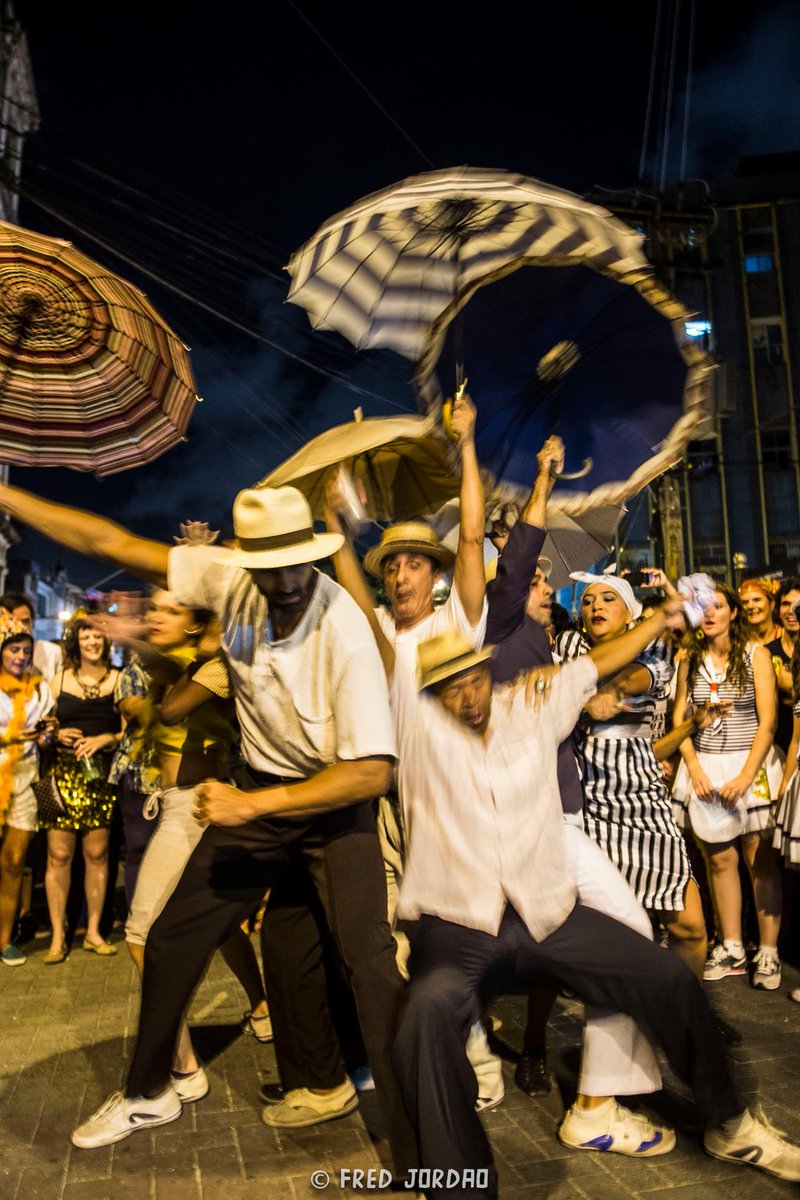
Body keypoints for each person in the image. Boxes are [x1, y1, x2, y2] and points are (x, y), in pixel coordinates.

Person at [0, 477, 413, 1174]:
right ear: (242, 559)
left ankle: (424, 1140)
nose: (280, 580)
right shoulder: (231, 580)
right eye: (264, 565)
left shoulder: (343, 626)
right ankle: (154, 1090)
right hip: (257, 788)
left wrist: (253, 807)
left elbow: (371, 773)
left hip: (333, 804)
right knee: (169, 938)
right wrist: (9, 498)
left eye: (293, 564)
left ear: (311, 555)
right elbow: (106, 540)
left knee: (368, 959)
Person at [390, 622, 800, 1196]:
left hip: (546, 915)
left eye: (475, 681)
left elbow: (599, 662)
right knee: (423, 1015)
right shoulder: (416, 734)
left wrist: (660, 618)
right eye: (451, 689)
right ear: (430, 698)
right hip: (458, 925)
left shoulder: (528, 704)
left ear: (489, 673)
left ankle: (728, 1123)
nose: (468, 698)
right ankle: (459, 1186)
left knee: (665, 977)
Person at [322, 390, 504, 1111]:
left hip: (444, 799)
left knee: (442, 940)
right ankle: (402, 1045)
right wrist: (339, 508)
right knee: (387, 936)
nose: (399, 574)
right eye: (391, 565)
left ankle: (478, 1059)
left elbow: (469, 534)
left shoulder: (455, 622)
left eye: (411, 565)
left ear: (432, 576)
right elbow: (343, 572)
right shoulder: (374, 629)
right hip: (384, 800)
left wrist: (465, 441)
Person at [484, 438, 667, 1140]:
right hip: (542, 825)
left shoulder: (535, 641)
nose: (545, 584)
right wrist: (541, 476)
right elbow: (519, 549)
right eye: (535, 577)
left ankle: (592, 1095)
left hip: (559, 818)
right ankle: (593, 1106)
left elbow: (588, 693)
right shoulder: (504, 624)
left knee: (610, 939)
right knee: (624, 937)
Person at [555, 575, 709, 978]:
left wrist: (612, 692)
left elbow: (639, 677)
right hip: (589, 799)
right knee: (613, 930)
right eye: (587, 602)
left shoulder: (653, 644)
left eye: (608, 598)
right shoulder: (570, 646)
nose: (595, 607)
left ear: (629, 614)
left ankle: (678, 1018)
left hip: (642, 798)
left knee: (690, 928)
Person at [673, 584, 784, 990]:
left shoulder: (756, 654)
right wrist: (694, 765)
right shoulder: (689, 657)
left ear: (733, 613)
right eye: (703, 606)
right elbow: (679, 719)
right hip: (706, 766)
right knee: (719, 859)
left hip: (748, 765)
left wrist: (745, 775)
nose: (710, 612)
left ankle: (768, 952)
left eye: (718, 605)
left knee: (759, 860)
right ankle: (733, 946)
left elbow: (767, 722)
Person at [40, 615, 122, 963]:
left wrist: (107, 738)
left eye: (98, 636)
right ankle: (58, 937)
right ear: (76, 642)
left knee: (98, 856)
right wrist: (56, 734)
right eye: (86, 636)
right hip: (62, 776)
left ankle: (93, 932)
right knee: (58, 856)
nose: (92, 642)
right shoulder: (57, 681)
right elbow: (42, 732)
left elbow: (129, 732)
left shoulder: (118, 680)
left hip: (99, 776)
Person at [0, 609, 55, 965]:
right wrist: (8, 738)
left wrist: (48, 734)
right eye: (13, 650)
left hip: (26, 775)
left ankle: (4, 940)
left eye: (25, 650)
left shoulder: (39, 689)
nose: (20, 657)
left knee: (15, 862)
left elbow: (47, 736)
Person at [766, 577, 800, 755]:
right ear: (778, 610)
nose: (791, 611)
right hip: (775, 752)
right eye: (786, 604)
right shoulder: (765, 654)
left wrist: (792, 688)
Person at [1, 591, 63, 682]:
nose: (22, 627)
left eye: (26, 621)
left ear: (33, 622)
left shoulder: (53, 652)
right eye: (15, 622)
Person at [738, 577, 780, 647]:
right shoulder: (737, 643)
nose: (750, 606)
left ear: (772, 604)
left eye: (757, 600)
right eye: (745, 602)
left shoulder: (787, 637)